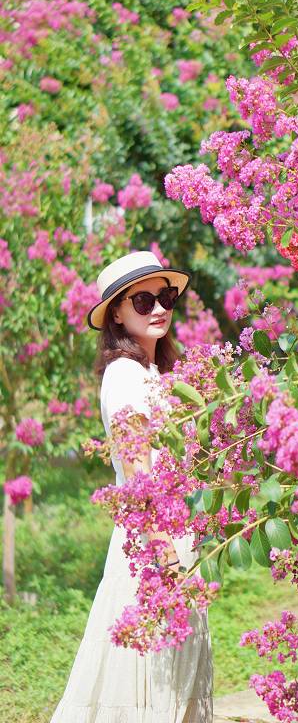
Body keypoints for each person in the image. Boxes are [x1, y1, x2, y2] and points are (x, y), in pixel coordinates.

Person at [50, 251, 213, 722]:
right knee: (147, 675)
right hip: (151, 538)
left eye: (165, 297)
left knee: (170, 673)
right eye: (144, 300)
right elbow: (139, 466)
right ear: (117, 313)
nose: (159, 308)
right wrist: (162, 546)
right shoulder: (124, 375)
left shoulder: (154, 373)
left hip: (176, 533)